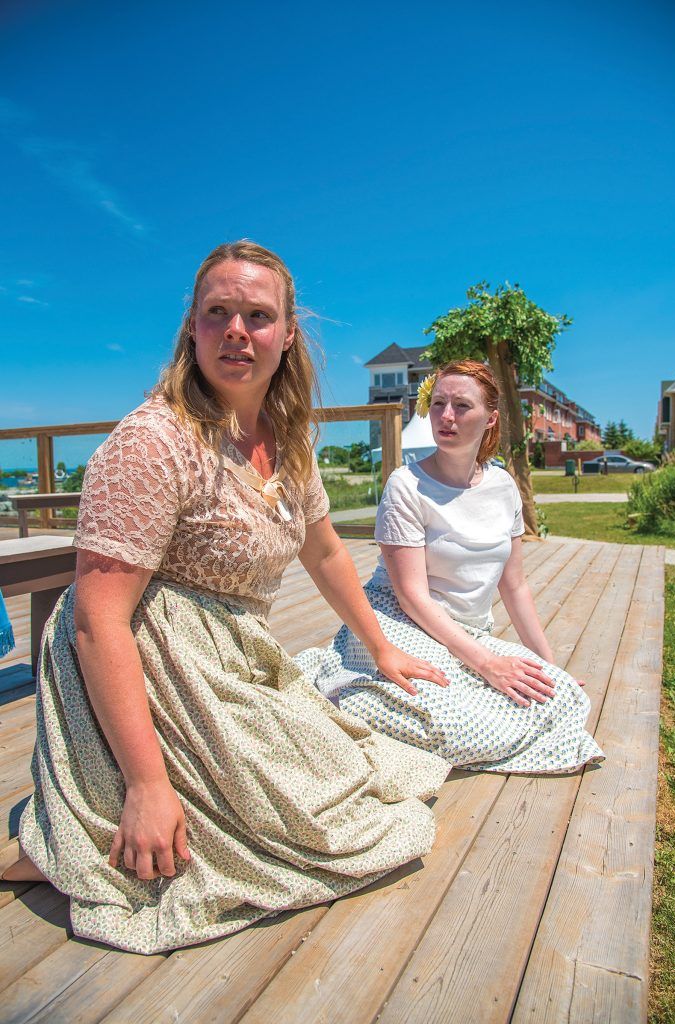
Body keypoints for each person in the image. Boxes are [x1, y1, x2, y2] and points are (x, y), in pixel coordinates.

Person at [3, 242, 451, 955]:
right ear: (192, 326)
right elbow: (97, 621)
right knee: (322, 831)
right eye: (219, 313)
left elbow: (326, 549)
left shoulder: (286, 439)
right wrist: (148, 784)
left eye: (257, 315)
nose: (237, 330)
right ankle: (66, 838)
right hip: (154, 662)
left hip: (234, 656)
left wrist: (381, 644)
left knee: (354, 778)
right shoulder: (153, 443)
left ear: (287, 334)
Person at [296, 360, 604, 774]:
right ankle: (344, 690)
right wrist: (486, 664)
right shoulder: (406, 486)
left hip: (467, 631)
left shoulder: (504, 486)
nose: (445, 416)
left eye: (461, 406)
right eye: (439, 402)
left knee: (561, 696)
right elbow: (411, 597)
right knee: (448, 719)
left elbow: (515, 587)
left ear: (490, 418)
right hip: (400, 621)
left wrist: (548, 666)